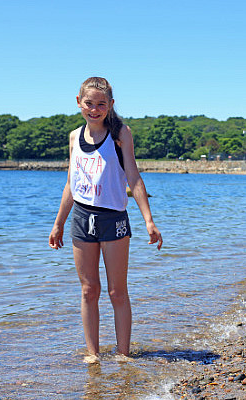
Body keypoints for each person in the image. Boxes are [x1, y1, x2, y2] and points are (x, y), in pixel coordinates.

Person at [49, 77, 162, 363]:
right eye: (89, 103)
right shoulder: (75, 137)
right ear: (79, 102)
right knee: (89, 290)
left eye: (101, 104)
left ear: (111, 105)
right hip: (81, 218)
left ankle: (123, 354)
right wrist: (59, 223)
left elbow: (134, 177)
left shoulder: (121, 133)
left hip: (114, 219)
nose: (95, 109)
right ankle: (93, 354)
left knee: (116, 291)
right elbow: (70, 184)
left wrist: (148, 220)